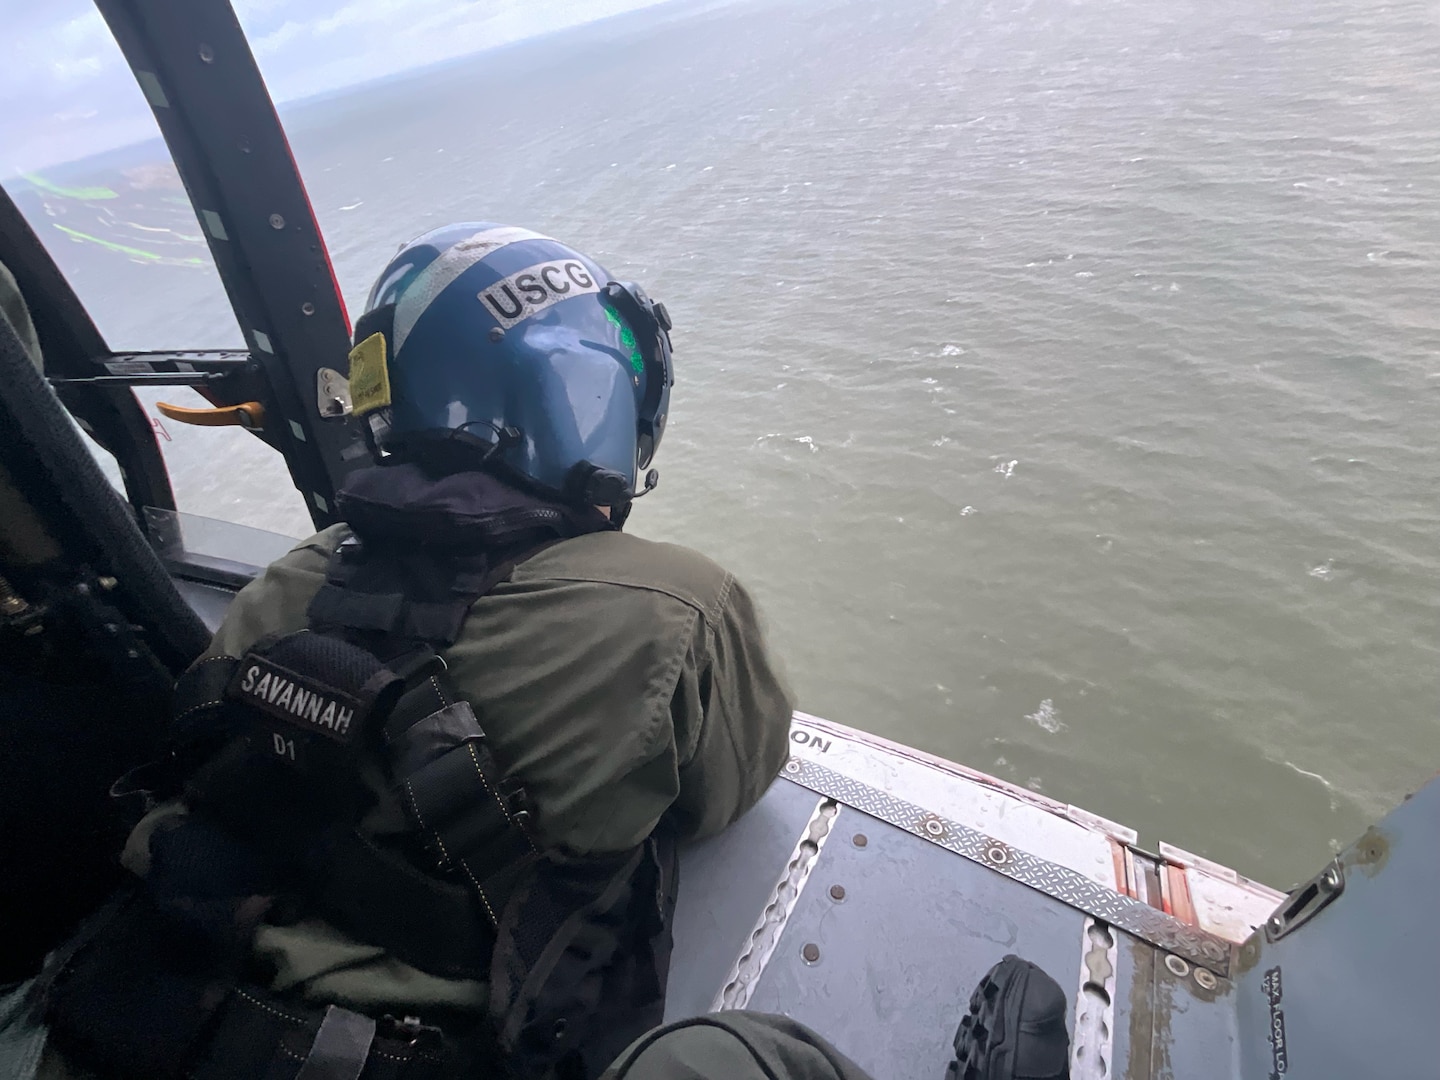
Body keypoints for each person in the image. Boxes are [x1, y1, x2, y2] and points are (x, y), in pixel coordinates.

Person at [24, 224, 796, 1080]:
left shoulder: (287, 583)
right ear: (581, 391)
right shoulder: (678, 609)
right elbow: (731, 790)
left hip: (140, 1022)